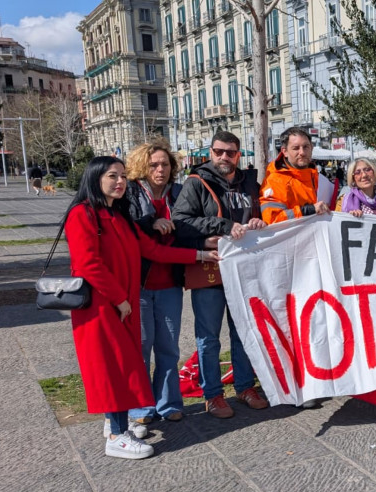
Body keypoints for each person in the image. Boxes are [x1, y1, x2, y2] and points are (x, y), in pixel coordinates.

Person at [65, 156, 217, 459]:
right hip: (101, 308)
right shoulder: (82, 215)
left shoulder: (119, 217)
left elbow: (154, 251)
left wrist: (200, 256)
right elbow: (88, 264)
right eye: (112, 176)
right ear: (95, 178)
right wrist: (119, 298)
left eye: (122, 176)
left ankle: (115, 425)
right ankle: (118, 437)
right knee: (115, 369)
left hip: (123, 306)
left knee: (123, 367)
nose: (120, 182)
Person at [172, 131, 270, 418]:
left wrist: (258, 220)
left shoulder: (249, 182)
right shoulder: (196, 182)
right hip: (210, 271)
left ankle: (244, 386)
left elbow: (262, 214)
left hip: (243, 271)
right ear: (210, 152)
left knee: (243, 333)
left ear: (239, 154)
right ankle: (212, 394)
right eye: (219, 152)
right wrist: (221, 227)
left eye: (230, 152)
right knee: (208, 337)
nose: (224, 157)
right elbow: (180, 222)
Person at [124, 142, 193, 433]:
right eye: (153, 165)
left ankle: (169, 403)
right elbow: (127, 228)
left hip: (169, 283)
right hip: (138, 284)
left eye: (165, 164)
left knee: (168, 347)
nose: (160, 169)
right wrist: (153, 222)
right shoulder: (130, 193)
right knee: (141, 348)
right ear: (142, 166)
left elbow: (189, 224)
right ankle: (140, 406)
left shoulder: (178, 193)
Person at [260, 127, 334, 224]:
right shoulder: (274, 181)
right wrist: (309, 210)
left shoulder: (320, 179)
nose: (302, 152)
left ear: (311, 148)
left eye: (306, 147)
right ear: (284, 151)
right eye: (296, 148)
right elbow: (272, 219)